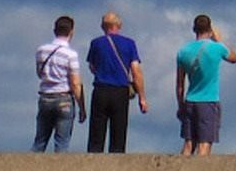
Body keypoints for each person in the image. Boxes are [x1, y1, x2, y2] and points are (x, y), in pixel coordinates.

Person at [174, 14, 236, 155]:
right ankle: (199, 170)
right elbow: (234, 58)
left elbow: (179, 84)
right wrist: (219, 40)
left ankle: (180, 168)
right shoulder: (217, 48)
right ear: (210, 29)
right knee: (204, 144)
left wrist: (180, 105)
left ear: (194, 29)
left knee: (188, 143)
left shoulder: (183, 52)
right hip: (208, 100)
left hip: (190, 100)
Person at [85, 12, 148, 153]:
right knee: (118, 134)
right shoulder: (129, 44)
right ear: (119, 25)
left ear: (103, 26)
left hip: (101, 89)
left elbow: (92, 66)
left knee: (96, 135)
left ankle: (93, 162)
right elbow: (136, 71)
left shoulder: (96, 43)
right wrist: (142, 97)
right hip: (120, 91)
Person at [31, 15, 87, 152]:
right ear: (71, 32)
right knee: (62, 143)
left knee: (40, 141)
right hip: (64, 98)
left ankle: (30, 165)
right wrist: (82, 107)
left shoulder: (41, 50)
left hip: (45, 97)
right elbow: (75, 83)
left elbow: (39, 73)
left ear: (54, 30)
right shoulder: (71, 54)